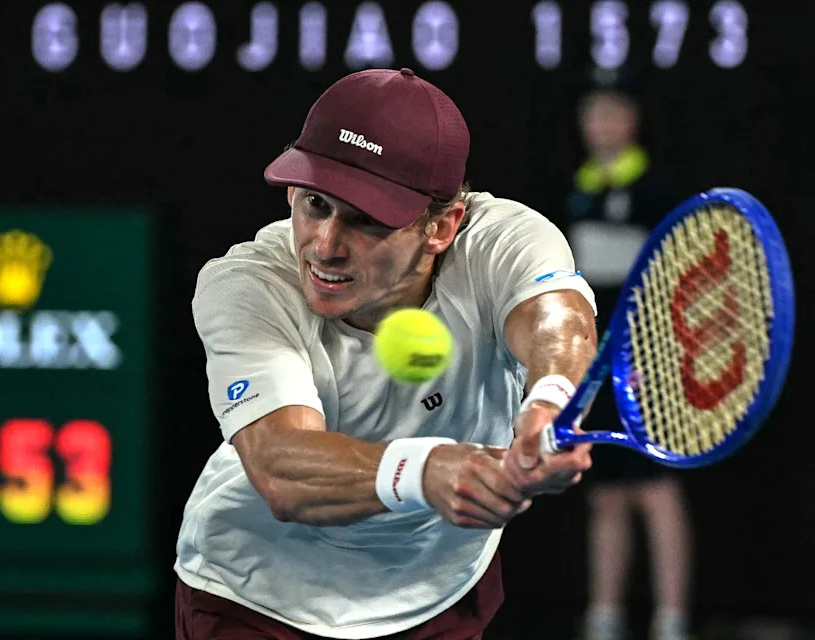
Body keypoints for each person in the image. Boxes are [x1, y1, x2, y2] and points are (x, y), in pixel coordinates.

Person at [175, 67, 599, 639]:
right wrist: (427, 469)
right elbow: (280, 466)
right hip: (257, 598)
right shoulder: (247, 285)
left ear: (442, 227)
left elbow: (558, 322)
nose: (325, 246)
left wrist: (549, 403)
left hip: (436, 597)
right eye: (315, 203)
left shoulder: (502, 241)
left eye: (366, 219)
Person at [561, 77, 694, 640]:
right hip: (596, 360)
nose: (602, 126)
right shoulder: (577, 189)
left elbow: (674, 281)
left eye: (612, 115)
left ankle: (671, 619)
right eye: (593, 116)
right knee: (606, 494)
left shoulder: (657, 189)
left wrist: (653, 352)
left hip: (648, 359)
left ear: (631, 122)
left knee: (656, 490)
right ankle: (604, 616)